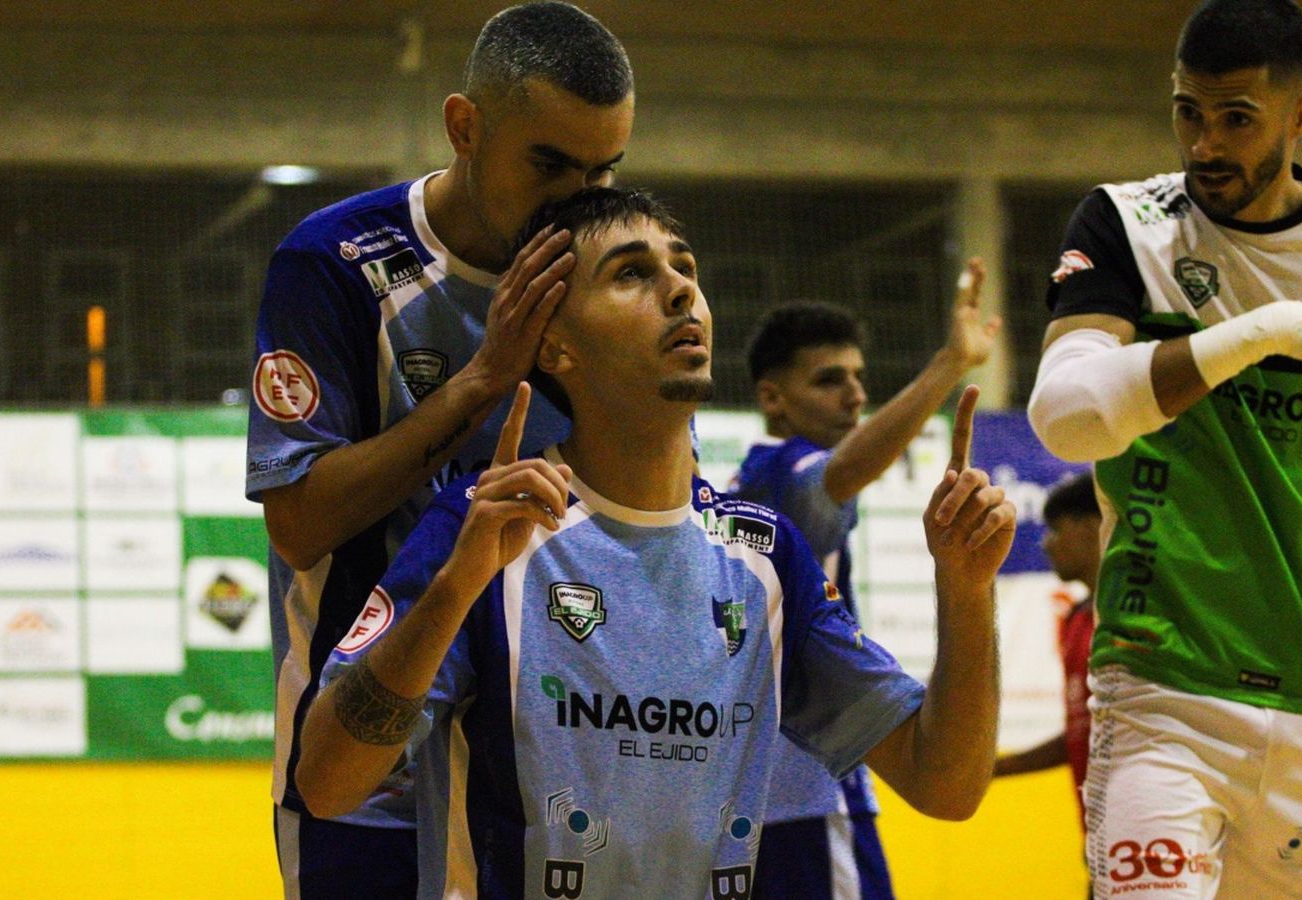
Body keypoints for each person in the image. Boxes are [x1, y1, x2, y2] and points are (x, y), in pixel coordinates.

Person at [292, 187, 1014, 899]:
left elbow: (944, 782)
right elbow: (325, 784)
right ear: (556, 345)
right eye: (632, 273)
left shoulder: (766, 555)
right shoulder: (485, 524)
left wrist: (967, 587)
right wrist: (454, 590)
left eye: (686, 269)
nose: (679, 291)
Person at [1024, 1, 1302, 896]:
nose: (1205, 146)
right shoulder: (1123, 226)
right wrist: (1277, 330)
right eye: (1188, 111)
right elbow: (1065, 415)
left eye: (1235, 119)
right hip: (1161, 694)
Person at [244, 4, 634, 895]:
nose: (581, 198)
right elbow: (299, 525)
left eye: (604, 169)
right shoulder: (334, 263)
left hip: (552, 777)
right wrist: (480, 383)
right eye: (550, 163)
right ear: (465, 126)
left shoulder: (608, 274)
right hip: (369, 775)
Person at [731, 269, 999, 899]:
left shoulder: (752, 484)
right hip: (809, 788)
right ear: (773, 398)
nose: (855, 395)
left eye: (858, 377)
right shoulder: (783, 472)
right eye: (830, 379)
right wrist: (949, 365)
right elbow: (844, 469)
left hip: (751, 799)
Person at [991, 472, 1100, 833]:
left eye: (1056, 529)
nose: (1046, 544)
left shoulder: (1140, 616)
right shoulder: (1075, 620)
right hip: (1098, 837)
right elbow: (1081, 734)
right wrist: (991, 769)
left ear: (1091, 527)